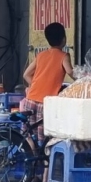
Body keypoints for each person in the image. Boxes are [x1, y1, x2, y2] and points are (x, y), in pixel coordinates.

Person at [21, 22, 74, 162]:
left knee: (28, 135)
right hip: (45, 104)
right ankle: (44, 177)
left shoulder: (41, 55)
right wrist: (83, 79)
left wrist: (37, 85)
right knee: (44, 140)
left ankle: (32, 170)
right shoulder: (64, 56)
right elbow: (70, 71)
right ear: (64, 39)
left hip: (29, 100)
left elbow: (26, 74)